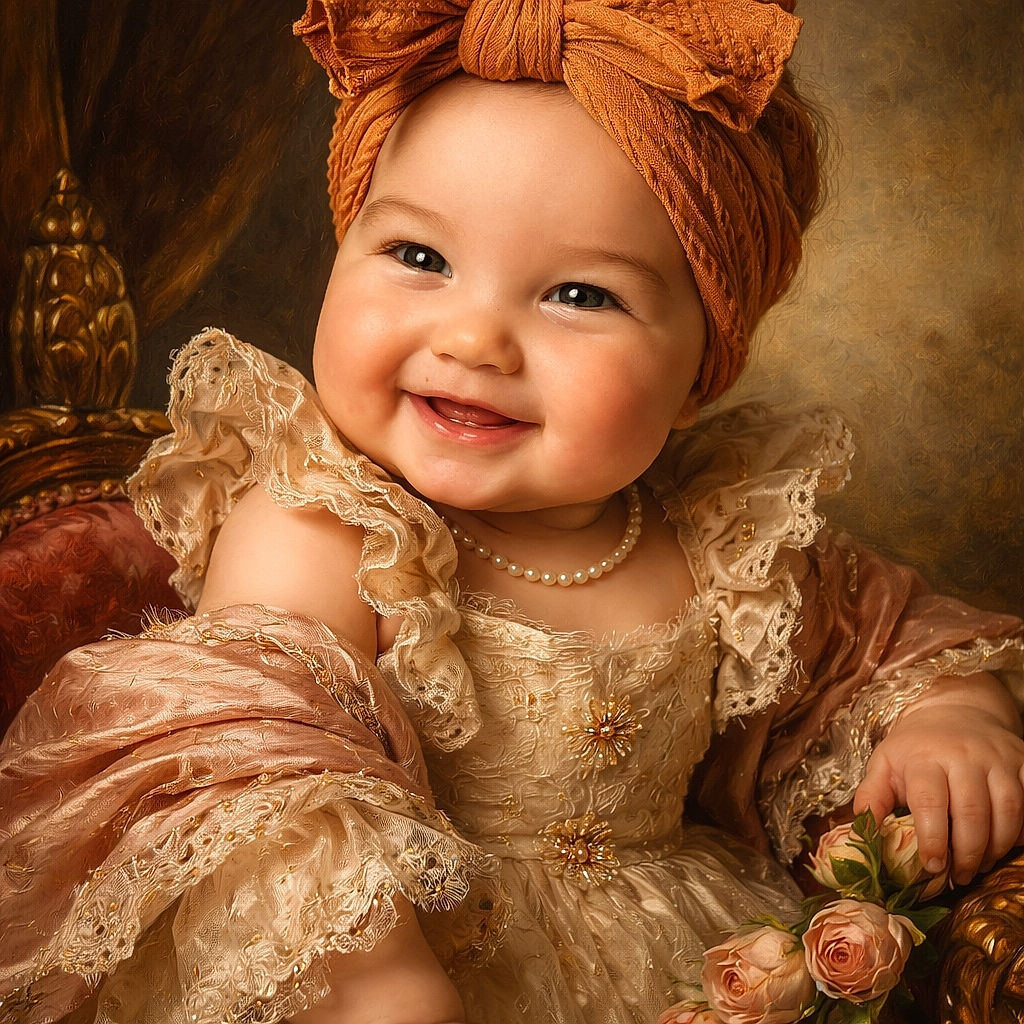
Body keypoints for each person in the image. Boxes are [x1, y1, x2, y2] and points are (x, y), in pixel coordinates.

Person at [2, 2, 1023, 1022]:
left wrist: (948, 714)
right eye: (417, 257)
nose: (476, 339)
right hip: (404, 961)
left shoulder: (713, 531)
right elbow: (267, 784)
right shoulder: (326, 521)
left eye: (579, 295)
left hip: (680, 963)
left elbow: (874, 640)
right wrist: (377, 985)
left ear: (698, 372)